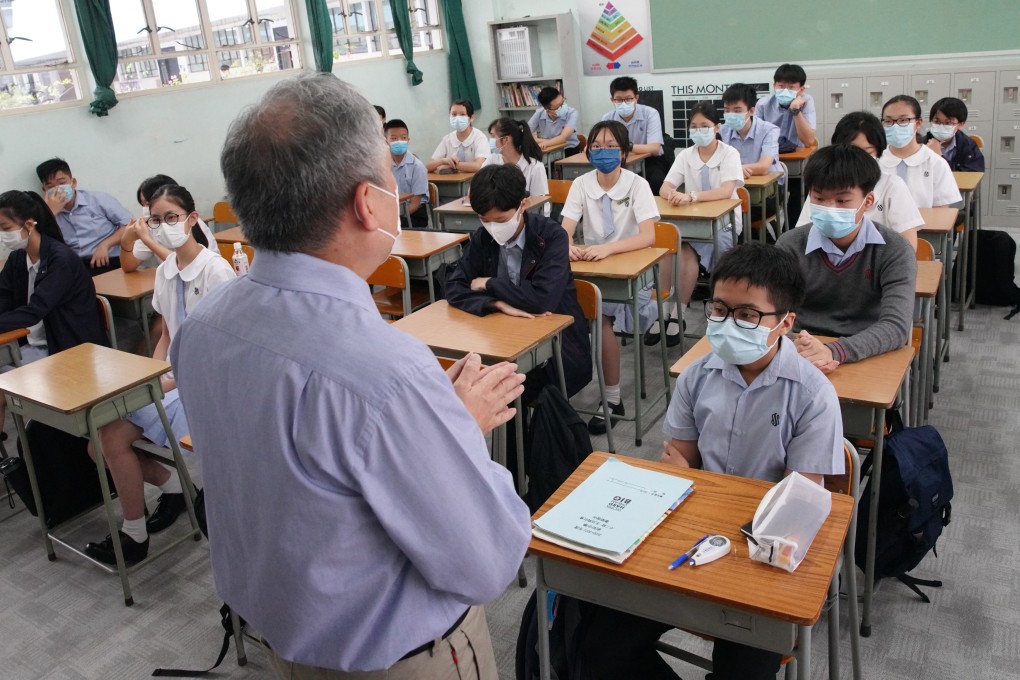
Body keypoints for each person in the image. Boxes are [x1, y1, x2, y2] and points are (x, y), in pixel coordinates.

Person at [171, 73, 531, 679]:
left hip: (283, 640)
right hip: (397, 659)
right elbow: (484, 561)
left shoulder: (203, 326)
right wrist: (456, 432)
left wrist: (425, 428)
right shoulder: (386, 372)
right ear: (369, 203)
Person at [579, 242, 844, 680]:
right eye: (719, 308)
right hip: (693, 539)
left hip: (761, 560)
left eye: (747, 315)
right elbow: (675, 463)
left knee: (744, 670)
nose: (727, 322)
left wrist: (707, 502)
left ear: (785, 322)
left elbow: (795, 511)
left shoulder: (812, 395)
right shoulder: (698, 374)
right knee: (601, 645)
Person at [83, 184, 235, 567]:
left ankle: (136, 534)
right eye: (155, 219)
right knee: (99, 442)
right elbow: (166, 333)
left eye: (172, 218)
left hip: (209, 387)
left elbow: (224, 352)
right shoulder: (167, 270)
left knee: (110, 436)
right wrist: (150, 378)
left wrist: (169, 382)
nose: (163, 225)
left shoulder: (217, 271)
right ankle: (175, 492)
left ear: (192, 219)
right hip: (173, 379)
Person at [446, 163, 590, 398]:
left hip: (556, 346)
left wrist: (489, 283)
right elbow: (453, 286)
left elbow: (541, 300)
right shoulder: (484, 238)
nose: (493, 228)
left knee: (509, 389)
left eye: (501, 220)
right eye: (484, 219)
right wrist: (496, 303)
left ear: (522, 205)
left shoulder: (551, 237)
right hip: (501, 339)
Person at [777, 144, 915, 371]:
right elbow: (773, 315)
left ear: (867, 202)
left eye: (842, 201)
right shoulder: (790, 245)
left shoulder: (894, 250)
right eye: (819, 199)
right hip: (802, 348)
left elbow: (896, 326)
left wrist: (834, 351)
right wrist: (803, 347)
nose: (829, 208)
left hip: (867, 350)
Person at [560, 121, 658, 434]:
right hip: (593, 268)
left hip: (634, 272)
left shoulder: (636, 184)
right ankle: (569, 391)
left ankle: (612, 399)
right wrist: (570, 246)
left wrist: (609, 250)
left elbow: (648, 236)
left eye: (611, 146)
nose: (603, 152)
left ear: (625, 152)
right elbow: (565, 229)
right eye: (597, 146)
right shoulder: (581, 184)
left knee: (599, 320)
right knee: (579, 314)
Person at [0, 190, 108, 427]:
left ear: (29, 224)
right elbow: (3, 297)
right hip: (33, 345)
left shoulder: (61, 260)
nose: (2, 235)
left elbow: (34, 311)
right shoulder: (19, 258)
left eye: (5, 227)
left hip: (65, 348)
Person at [659, 101, 744, 327]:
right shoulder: (686, 155)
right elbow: (665, 187)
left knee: (687, 252)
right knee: (670, 250)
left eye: (704, 125)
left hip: (724, 223)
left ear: (716, 127)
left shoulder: (729, 153)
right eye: (693, 126)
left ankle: (679, 312)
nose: (698, 131)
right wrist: (672, 195)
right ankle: (666, 310)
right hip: (691, 222)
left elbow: (726, 190)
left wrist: (691, 196)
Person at [796, 111, 923, 250]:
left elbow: (908, 247)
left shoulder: (892, 185)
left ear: (879, 151)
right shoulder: (822, 187)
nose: (858, 159)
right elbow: (801, 236)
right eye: (852, 151)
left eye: (867, 152)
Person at [36, 158, 132, 275]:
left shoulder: (99, 200)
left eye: (61, 183)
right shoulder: (43, 214)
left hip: (111, 260)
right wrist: (50, 213)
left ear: (73, 182)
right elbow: (38, 244)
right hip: (75, 267)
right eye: (50, 186)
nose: (57, 190)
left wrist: (105, 245)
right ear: (44, 190)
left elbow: (130, 225)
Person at [877, 95, 962, 209]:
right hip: (879, 226)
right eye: (888, 121)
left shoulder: (936, 163)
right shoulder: (875, 161)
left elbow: (941, 214)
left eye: (903, 120)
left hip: (925, 226)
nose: (895, 126)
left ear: (918, 122)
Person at [121, 174, 217, 272]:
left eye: (148, 204)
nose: (145, 209)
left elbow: (187, 266)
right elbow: (128, 266)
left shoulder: (188, 222)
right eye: (143, 204)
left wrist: (147, 240)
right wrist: (126, 241)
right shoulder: (152, 225)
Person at [720, 83, 782, 179]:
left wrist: (734, 169)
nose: (731, 115)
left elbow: (763, 167)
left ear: (751, 111)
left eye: (737, 111)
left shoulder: (769, 130)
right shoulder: (722, 131)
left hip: (768, 187)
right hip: (736, 182)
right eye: (727, 111)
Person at [482, 117, 549, 201]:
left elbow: (540, 203)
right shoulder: (492, 160)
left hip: (526, 212)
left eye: (493, 136)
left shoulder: (535, 167)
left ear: (506, 139)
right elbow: (478, 186)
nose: (490, 141)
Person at [755, 63, 817, 150]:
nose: (785, 91)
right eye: (781, 86)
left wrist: (795, 110)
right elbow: (755, 136)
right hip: (769, 153)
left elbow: (809, 141)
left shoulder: (806, 101)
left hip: (797, 154)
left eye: (791, 87)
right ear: (774, 86)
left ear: (801, 90)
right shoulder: (763, 104)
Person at [383, 119, 429, 229]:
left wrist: (392, 218)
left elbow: (415, 204)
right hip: (392, 212)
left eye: (403, 138)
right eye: (394, 138)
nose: (399, 141)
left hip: (414, 215)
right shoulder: (383, 165)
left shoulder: (417, 166)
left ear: (408, 140)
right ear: (385, 141)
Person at [426, 99, 489, 173]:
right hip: (453, 182)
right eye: (454, 114)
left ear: (471, 118)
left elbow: (478, 166)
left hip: (476, 181)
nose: (457, 118)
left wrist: (451, 165)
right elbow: (428, 167)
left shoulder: (479, 137)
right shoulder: (447, 139)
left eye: (462, 114)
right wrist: (443, 161)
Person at [924, 97, 985, 172]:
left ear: (961, 124)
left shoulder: (968, 146)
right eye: (936, 121)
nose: (941, 126)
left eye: (948, 123)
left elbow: (971, 177)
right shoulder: (921, 143)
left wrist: (939, 155)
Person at [528, 86, 581, 155]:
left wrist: (542, 141)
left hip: (569, 149)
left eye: (563, 101)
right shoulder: (540, 113)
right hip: (549, 150)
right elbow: (525, 134)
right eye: (559, 105)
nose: (564, 106)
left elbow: (563, 139)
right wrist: (549, 141)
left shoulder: (572, 113)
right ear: (548, 111)